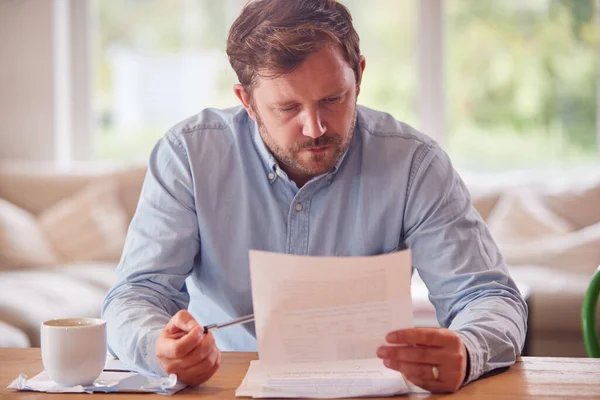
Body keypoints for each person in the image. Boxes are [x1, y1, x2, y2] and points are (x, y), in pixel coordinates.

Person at [102, 0, 527, 393]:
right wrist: (158, 348)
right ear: (246, 101)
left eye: (333, 99)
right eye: (288, 109)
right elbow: (137, 294)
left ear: (358, 77)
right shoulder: (189, 156)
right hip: (222, 387)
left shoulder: (415, 164)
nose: (315, 128)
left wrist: (470, 350)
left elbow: (487, 296)